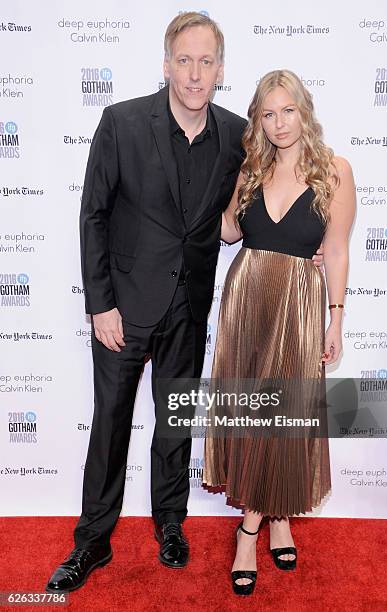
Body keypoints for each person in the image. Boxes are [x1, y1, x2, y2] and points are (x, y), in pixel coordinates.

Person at [45, 14, 323, 593]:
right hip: (124, 307)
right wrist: (101, 304)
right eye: (184, 60)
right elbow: (92, 215)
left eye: (206, 62)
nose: (194, 74)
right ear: (166, 63)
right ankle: (92, 540)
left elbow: (272, 194)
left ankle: (171, 522)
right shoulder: (121, 122)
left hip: (190, 308)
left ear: (220, 70)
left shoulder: (235, 136)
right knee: (110, 427)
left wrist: (314, 248)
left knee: (174, 424)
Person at [203, 69, 356, 596]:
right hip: (247, 303)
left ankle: (259, 524)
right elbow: (227, 230)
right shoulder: (249, 170)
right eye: (267, 114)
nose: (279, 122)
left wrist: (335, 316)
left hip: (297, 305)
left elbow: (335, 249)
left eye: (287, 110)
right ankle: (268, 523)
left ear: (304, 110)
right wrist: (214, 177)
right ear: (258, 121)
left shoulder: (334, 171)